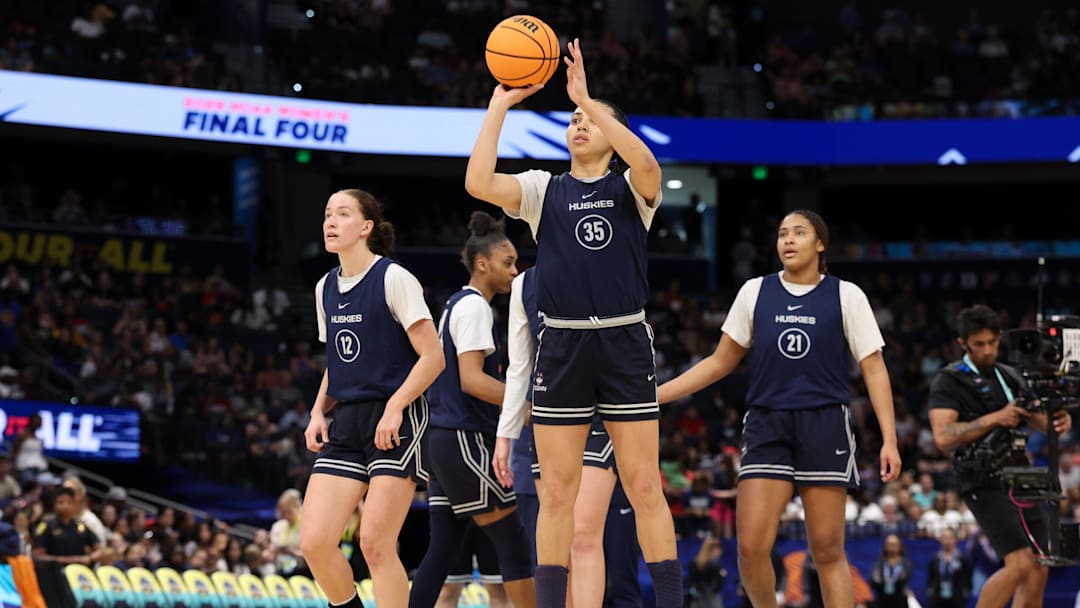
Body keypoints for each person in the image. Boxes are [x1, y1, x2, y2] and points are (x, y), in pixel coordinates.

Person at [466, 38, 679, 607]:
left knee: (644, 484)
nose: (579, 122)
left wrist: (587, 94)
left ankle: (670, 600)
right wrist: (498, 108)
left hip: (624, 339)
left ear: (615, 136)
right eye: (574, 117)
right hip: (561, 346)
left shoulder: (633, 188)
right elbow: (479, 184)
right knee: (556, 493)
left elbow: (652, 163)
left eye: (592, 119)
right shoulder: (543, 188)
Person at [657, 209, 902, 608]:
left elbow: (874, 370)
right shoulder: (755, 291)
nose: (787, 240)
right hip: (767, 423)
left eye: (799, 233)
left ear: (819, 244)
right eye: (782, 233)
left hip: (824, 423)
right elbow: (720, 362)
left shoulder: (846, 294)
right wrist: (659, 394)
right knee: (751, 549)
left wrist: (888, 439)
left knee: (826, 549)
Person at [300, 189, 444, 608]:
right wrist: (316, 413)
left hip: (396, 417)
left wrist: (397, 406)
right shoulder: (325, 286)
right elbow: (339, 363)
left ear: (366, 228)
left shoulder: (394, 278)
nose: (330, 222)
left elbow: (433, 358)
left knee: (376, 543)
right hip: (347, 420)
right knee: (314, 542)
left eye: (342, 214)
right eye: (328, 214)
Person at [493, 266, 643, 607]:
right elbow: (519, 368)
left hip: (598, 412)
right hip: (548, 417)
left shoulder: (605, 267)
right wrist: (505, 435)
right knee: (559, 542)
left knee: (583, 534)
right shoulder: (524, 284)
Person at [409, 212, 535, 608]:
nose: (515, 271)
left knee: (443, 548)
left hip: (443, 440)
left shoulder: (456, 305)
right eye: (508, 263)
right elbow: (472, 380)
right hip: (463, 439)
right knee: (512, 539)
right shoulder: (476, 307)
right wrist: (523, 407)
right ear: (483, 264)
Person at [928, 304, 1071, 608]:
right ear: (962, 343)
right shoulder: (949, 380)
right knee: (1019, 564)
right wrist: (996, 417)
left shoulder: (1009, 375)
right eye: (979, 344)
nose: (988, 350)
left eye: (992, 342)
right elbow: (943, 437)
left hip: (1022, 477)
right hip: (982, 479)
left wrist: (1059, 419)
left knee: (1039, 566)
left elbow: (1043, 423)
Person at [31, 486, 101, 565]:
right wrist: (69, 560)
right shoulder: (46, 526)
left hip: (78, 573)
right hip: (54, 571)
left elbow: (99, 549)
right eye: (61, 502)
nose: (66, 506)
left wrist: (90, 557)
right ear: (54, 505)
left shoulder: (81, 526)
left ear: (75, 505)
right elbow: (38, 556)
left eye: (69, 502)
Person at [927, 527, 972, 608]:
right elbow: (931, 577)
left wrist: (965, 592)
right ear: (941, 540)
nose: (947, 541)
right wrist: (932, 591)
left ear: (955, 539)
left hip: (957, 597)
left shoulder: (962, 558)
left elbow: (968, 576)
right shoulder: (936, 558)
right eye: (945, 538)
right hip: (938, 597)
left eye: (950, 538)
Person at [869, 534, 912, 608]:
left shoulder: (906, 564)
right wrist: (883, 584)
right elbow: (874, 579)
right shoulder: (879, 564)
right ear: (884, 546)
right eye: (889, 544)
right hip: (882, 600)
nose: (892, 546)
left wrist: (895, 583)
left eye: (894, 544)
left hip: (899, 601)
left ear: (900, 546)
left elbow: (904, 578)